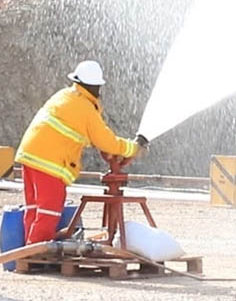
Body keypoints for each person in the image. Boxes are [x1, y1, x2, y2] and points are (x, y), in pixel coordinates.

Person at [15, 59, 148, 243]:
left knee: (34, 208)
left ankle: (28, 251)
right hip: (49, 163)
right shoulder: (85, 107)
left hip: (29, 156)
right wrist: (133, 148)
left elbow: (80, 134)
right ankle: (36, 252)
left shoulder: (65, 96)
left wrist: (102, 147)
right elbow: (107, 141)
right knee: (49, 209)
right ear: (96, 86)